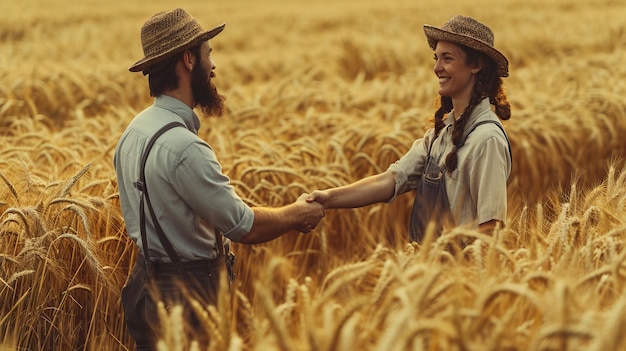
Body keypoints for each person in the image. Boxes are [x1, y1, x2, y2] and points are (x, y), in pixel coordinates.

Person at [113, 8, 325, 350]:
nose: (214, 66)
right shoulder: (183, 148)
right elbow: (244, 226)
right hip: (189, 296)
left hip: (144, 289)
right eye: (208, 54)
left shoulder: (134, 131)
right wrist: (298, 213)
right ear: (188, 60)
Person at [307, 15, 512, 243]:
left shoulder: (487, 139)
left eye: (447, 58)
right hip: (429, 269)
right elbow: (390, 180)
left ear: (475, 65)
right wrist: (327, 198)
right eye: (436, 58)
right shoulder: (440, 135)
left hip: (460, 274)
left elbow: (491, 230)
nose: (436, 68)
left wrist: (458, 274)